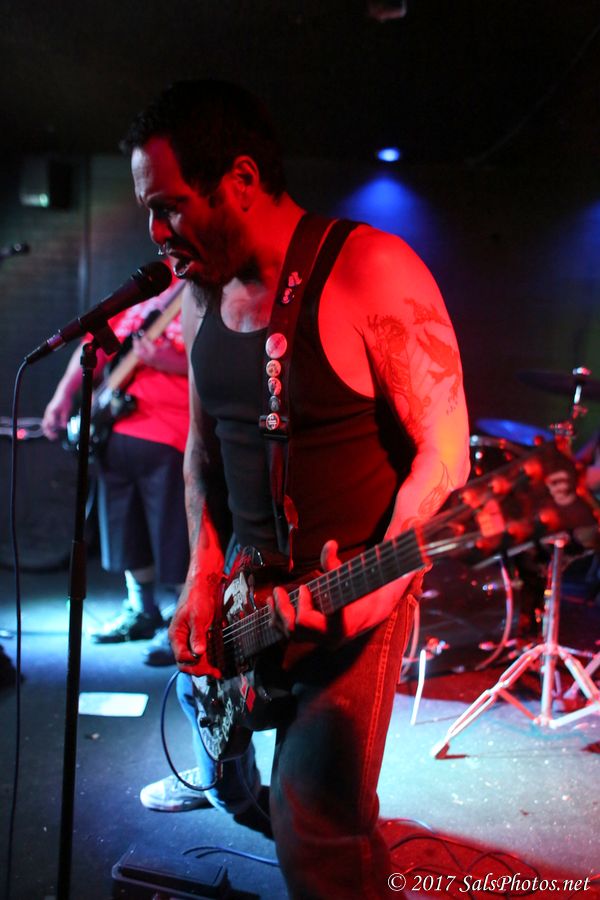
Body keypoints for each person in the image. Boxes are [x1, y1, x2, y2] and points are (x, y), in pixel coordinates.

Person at [122, 79, 471, 897]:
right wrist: (201, 576)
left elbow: (446, 453)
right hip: (242, 594)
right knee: (236, 791)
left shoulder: (371, 268)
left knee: (316, 829)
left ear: (240, 179)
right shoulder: (201, 291)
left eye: (169, 207)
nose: (156, 232)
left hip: (351, 592)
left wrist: (375, 591)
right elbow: (202, 452)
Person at [41, 275, 191, 647]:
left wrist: (170, 361)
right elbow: (95, 344)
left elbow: (224, 361)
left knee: (175, 533)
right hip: (116, 432)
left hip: (172, 435)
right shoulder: (148, 290)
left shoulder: (203, 291)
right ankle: (141, 610)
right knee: (124, 532)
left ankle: (184, 619)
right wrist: (63, 395)